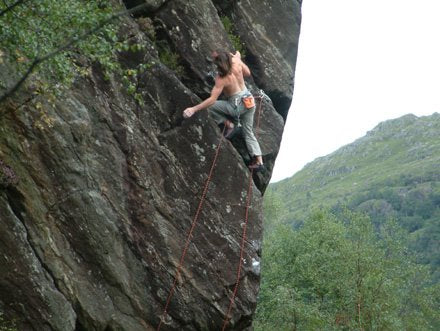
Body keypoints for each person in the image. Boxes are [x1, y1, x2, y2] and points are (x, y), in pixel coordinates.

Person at [182, 50, 264, 171]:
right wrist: (239, 59)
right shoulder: (237, 63)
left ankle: (229, 124)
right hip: (249, 101)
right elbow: (247, 72)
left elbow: (211, 100)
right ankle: (259, 161)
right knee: (248, 132)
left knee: (210, 107)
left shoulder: (221, 78)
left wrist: (194, 109)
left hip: (236, 106)